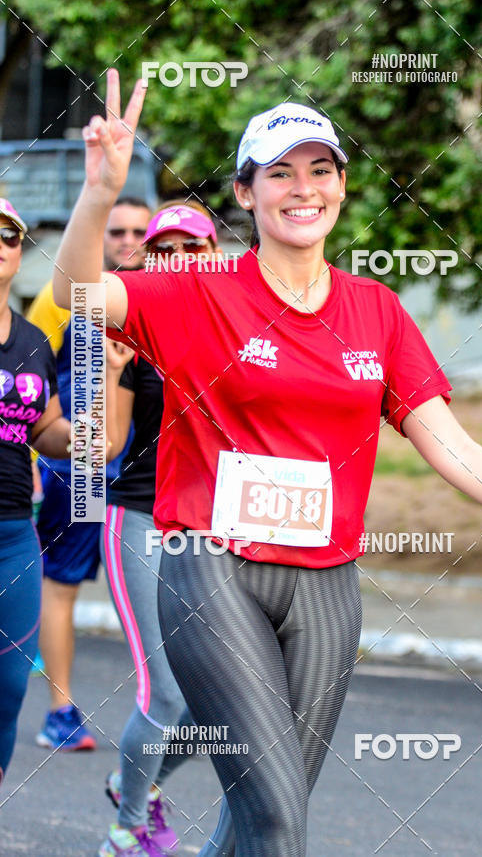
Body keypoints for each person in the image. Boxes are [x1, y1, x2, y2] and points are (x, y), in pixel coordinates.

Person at [53, 70, 482, 857]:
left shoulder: (375, 310)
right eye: (279, 172)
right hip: (211, 569)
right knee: (279, 819)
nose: (302, 188)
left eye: (320, 169)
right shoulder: (198, 292)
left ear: (342, 186)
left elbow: (448, 443)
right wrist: (100, 193)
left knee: (261, 815)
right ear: (246, 193)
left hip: (327, 588)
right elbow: (77, 294)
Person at [99, 200, 223, 857]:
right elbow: (102, 446)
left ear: (212, 255)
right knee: (166, 692)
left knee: (219, 711)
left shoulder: (235, 328)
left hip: (210, 531)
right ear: (147, 258)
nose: (175, 260)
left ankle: (132, 783)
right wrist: (111, 372)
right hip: (140, 519)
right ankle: (123, 837)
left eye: (189, 248)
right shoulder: (129, 329)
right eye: (163, 248)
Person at [28, 196, 151, 751]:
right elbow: (33, 382)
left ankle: (173, 716)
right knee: (64, 586)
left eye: (138, 231)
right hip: (82, 474)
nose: (127, 240)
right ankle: (60, 711)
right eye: (116, 230)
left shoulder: (172, 304)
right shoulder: (80, 304)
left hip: (146, 483)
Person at [0, 198, 71, 784]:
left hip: (13, 534)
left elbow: (45, 428)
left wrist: (90, 430)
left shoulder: (32, 342)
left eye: (9, 234)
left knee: (7, 687)